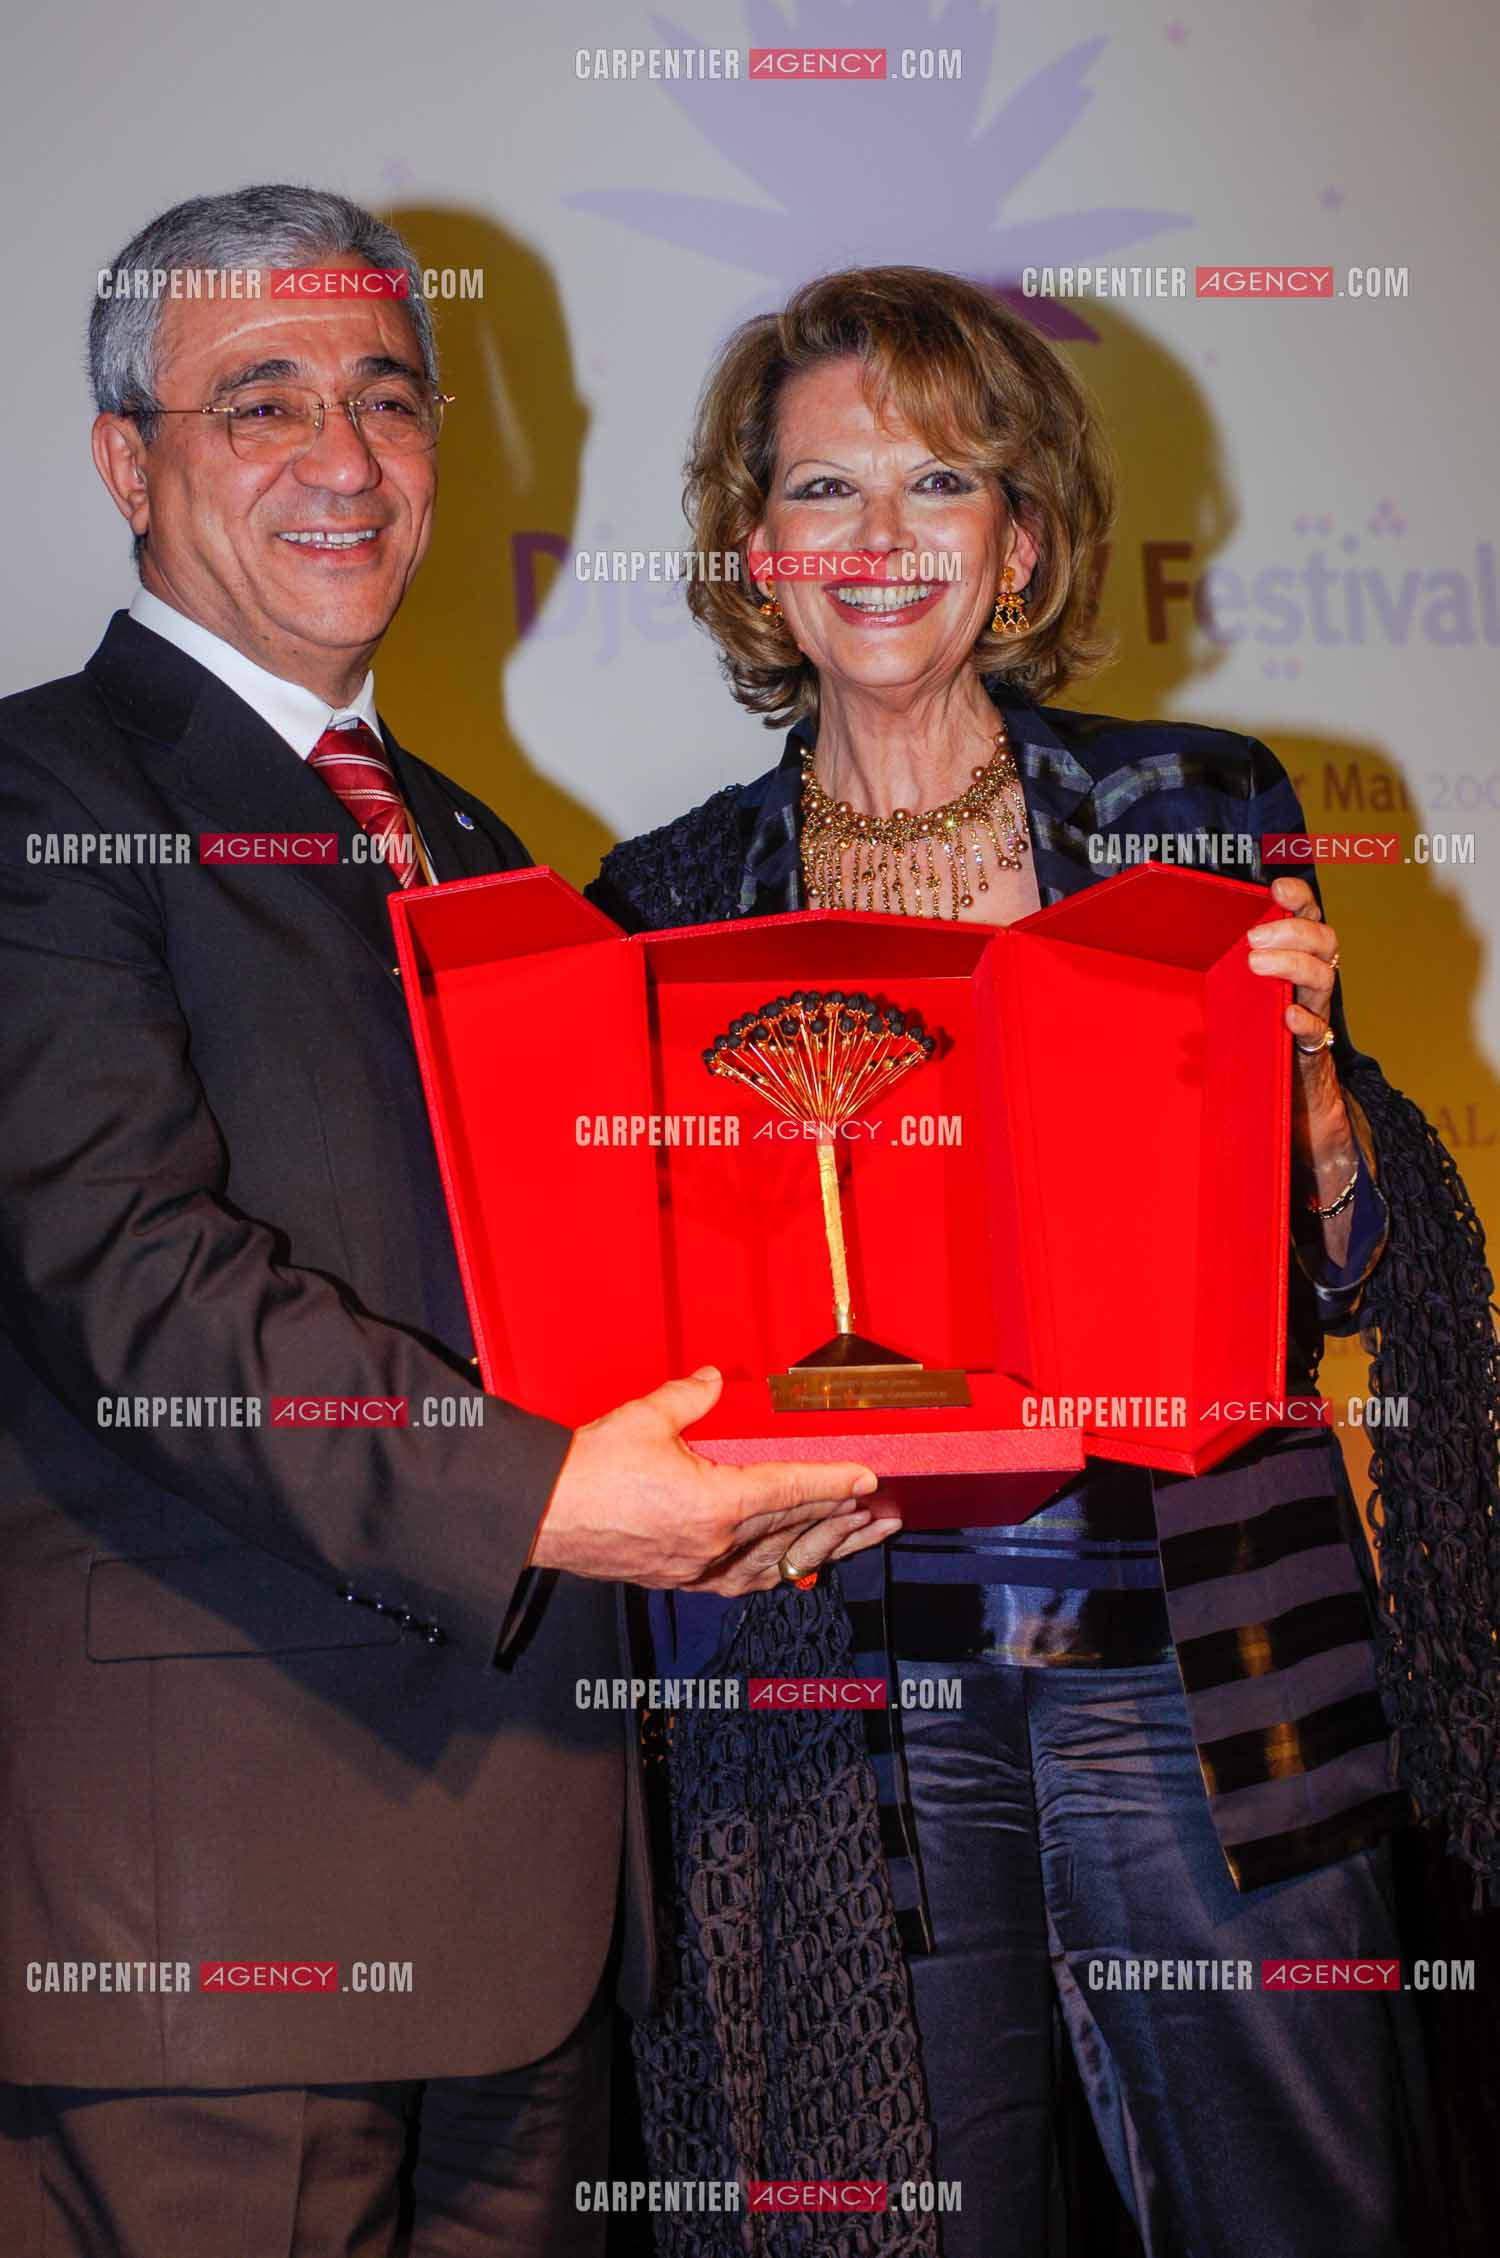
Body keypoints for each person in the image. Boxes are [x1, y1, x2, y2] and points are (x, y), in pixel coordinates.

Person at [0, 189, 899, 2258]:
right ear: (128, 459)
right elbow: (139, 1293)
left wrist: (744, 1468)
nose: (345, 455)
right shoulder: (42, 796)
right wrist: (565, 1496)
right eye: (263, 402)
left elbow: (561, 1296)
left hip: (527, 1898)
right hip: (208, 1931)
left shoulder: (481, 847)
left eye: (388, 397)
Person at [590, 266, 1497, 2257]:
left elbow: (1350, 1276)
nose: (881, 538)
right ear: (759, 551)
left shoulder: (1196, 813)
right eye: (827, 490)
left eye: (940, 481)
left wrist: (1326, 1115)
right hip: (847, 1687)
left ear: (1024, 538)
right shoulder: (663, 904)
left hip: (1208, 1671)